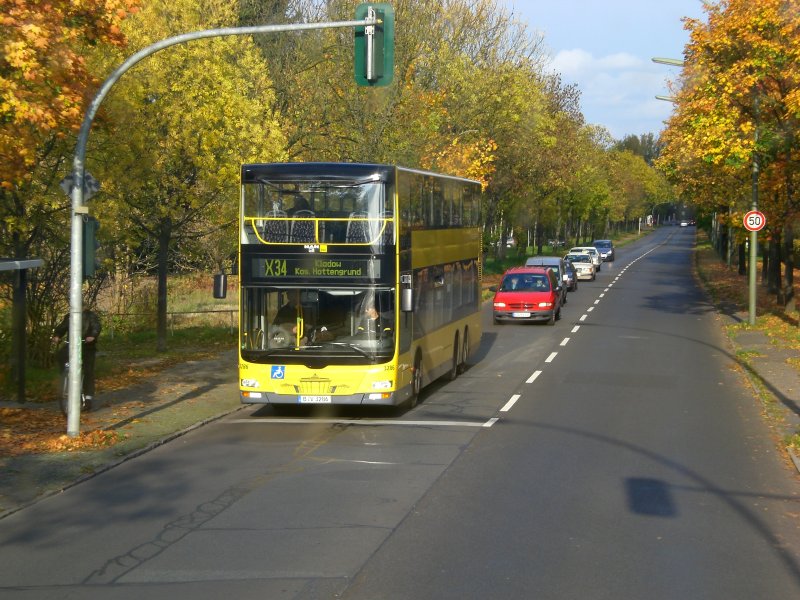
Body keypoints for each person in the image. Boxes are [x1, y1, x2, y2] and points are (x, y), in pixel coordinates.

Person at [52, 308, 102, 411]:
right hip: (72, 345)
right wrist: (57, 335)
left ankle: (88, 398)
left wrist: (92, 336)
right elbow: (62, 327)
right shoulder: (70, 316)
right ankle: (65, 375)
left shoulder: (90, 316)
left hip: (87, 345)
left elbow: (96, 327)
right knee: (61, 355)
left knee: (88, 370)